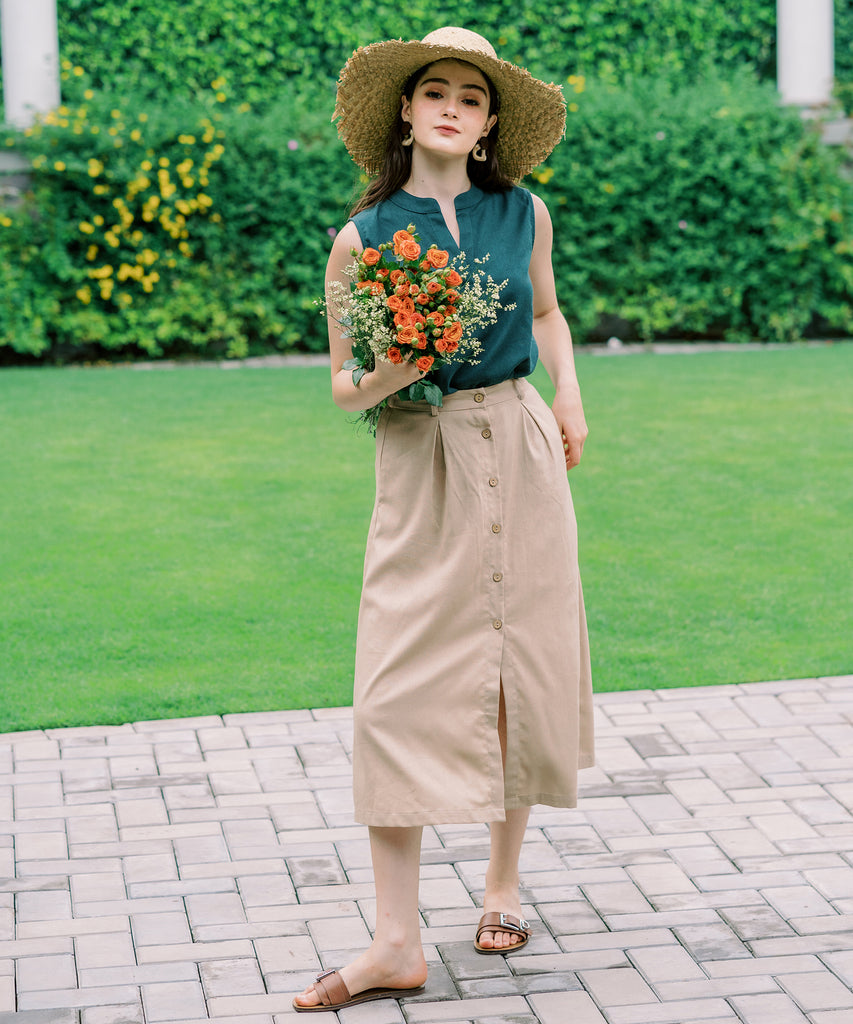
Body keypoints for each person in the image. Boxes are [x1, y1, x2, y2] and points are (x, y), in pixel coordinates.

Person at [293, 26, 594, 1013]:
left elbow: (545, 313)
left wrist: (569, 396)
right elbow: (344, 388)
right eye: (436, 89)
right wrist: (400, 364)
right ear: (407, 112)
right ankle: (395, 941)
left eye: (472, 93)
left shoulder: (524, 214)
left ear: (489, 122)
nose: (454, 104)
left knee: (520, 659)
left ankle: (502, 886)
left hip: (517, 437)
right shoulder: (361, 238)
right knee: (393, 685)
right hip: (418, 456)